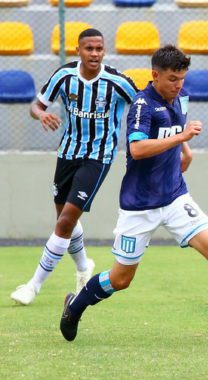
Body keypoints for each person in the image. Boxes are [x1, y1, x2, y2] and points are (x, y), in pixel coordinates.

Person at [59, 45, 208, 344]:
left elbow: (177, 128)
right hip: (139, 206)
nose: (179, 85)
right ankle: (76, 305)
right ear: (155, 75)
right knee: (121, 279)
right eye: (173, 78)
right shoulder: (142, 105)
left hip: (175, 197)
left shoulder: (179, 98)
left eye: (183, 78)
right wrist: (183, 137)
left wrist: (185, 150)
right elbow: (137, 148)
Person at [11, 29, 138, 306]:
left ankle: (33, 285)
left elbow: (142, 105)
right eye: (89, 49)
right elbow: (36, 106)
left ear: (104, 51)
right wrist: (42, 114)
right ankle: (83, 267)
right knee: (64, 221)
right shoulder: (64, 76)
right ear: (78, 51)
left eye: (99, 49)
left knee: (66, 219)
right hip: (68, 153)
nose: (94, 53)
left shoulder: (117, 82)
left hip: (98, 156)